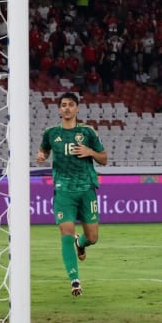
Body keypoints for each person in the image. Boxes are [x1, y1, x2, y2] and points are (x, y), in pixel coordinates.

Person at [35, 92, 108, 296]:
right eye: (63, 105)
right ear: (59, 109)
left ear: (77, 109)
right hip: (63, 190)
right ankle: (75, 280)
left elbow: (104, 159)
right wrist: (41, 155)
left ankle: (81, 242)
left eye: (70, 105)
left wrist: (90, 152)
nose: (66, 108)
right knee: (66, 231)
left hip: (86, 189)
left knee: (92, 237)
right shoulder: (51, 133)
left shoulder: (87, 132)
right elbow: (44, 150)